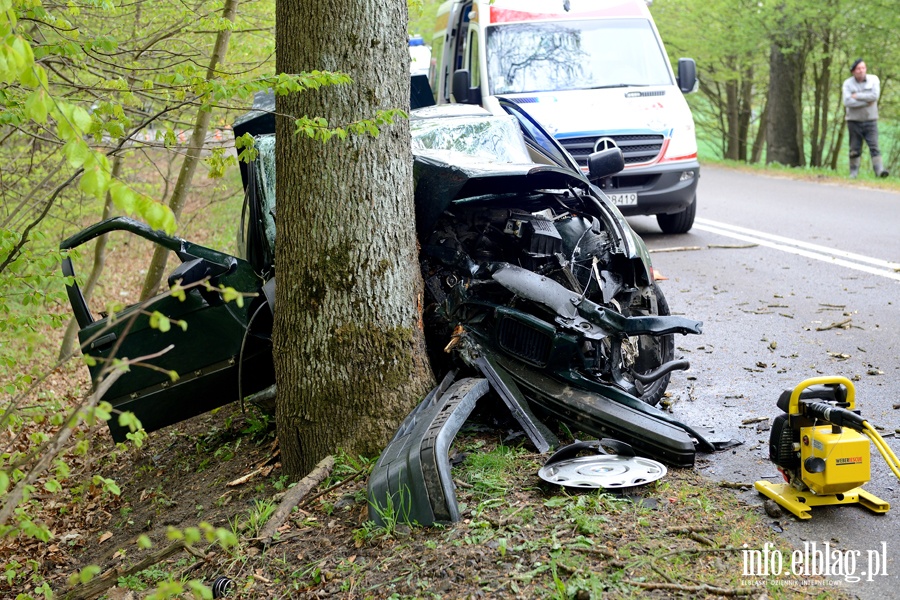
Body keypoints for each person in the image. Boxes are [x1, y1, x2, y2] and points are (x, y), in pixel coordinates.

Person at [842, 58, 889, 178]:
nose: (861, 71)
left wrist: (857, 96)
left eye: (863, 68)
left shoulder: (873, 80)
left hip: (871, 120)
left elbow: (874, 96)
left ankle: (879, 171)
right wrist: (866, 102)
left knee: (874, 146)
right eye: (858, 69)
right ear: (853, 71)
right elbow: (847, 102)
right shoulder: (848, 83)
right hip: (854, 121)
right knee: (854, 148)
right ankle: (853, 172)